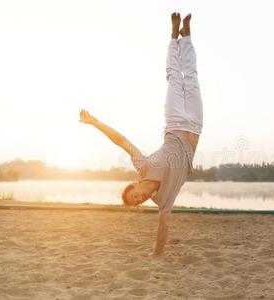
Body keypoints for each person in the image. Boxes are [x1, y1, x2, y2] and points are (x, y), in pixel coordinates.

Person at [78, 12, 203, 256]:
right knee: (193, 79)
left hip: (175, 121)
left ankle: (172, 37)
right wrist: (156, 253)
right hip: (196, 125)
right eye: (137, 202)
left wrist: (95, 122)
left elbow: (121, 141)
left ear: (134, 185)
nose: (140, 199)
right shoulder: (164, 199)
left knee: (175, 78)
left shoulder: (143, 166)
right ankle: (186, 37)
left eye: (135, 195)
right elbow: (163, 225)